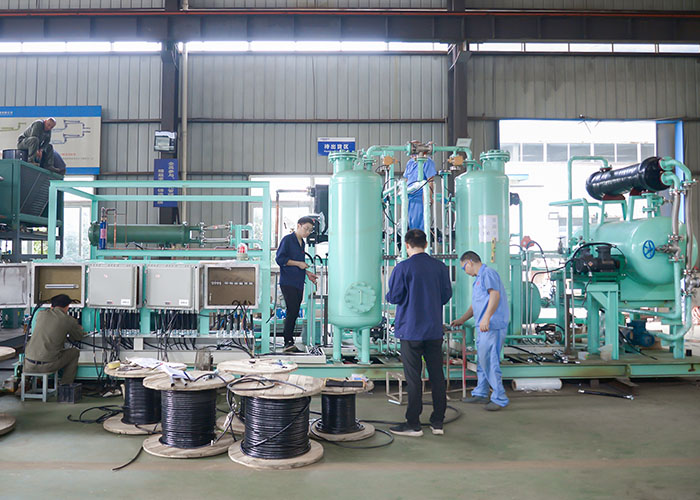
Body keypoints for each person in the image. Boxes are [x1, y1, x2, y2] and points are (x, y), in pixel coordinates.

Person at [386, 229, 452, 436]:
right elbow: (446, 295)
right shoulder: (440, 267)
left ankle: (413, 424)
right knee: (437, 376)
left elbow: (394, 297)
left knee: (414, 378)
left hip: (411, 330)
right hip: (433, 330)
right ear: (426, 244)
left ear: (407, 245)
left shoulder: (402, 268)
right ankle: (438, 422)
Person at [451, 251, 510, 411]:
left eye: (464, 268)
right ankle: (481, 392)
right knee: (482, 361)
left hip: (491, 325)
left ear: (469, 262)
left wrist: (487, 318)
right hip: (483, 326)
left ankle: (499, 398)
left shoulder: (488, 273)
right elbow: (476, 305)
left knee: (490, 361)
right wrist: (462, 319)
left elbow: (495, 295)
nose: (465, 271)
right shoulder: (478, 279)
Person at [275, 216, 318, 353]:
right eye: (306, 229)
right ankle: (288, 342)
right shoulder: (288, 240)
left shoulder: (302, 243)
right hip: (288, 282)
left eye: (310, 230)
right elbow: (280, 259)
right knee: (292, 311)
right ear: (299, 225)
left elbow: (299, 265)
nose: (307, 232)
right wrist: (299, 264)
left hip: (298, 282)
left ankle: (289, 342)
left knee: (294, 311)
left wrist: (307, 273)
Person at [24, 294, 85, 385]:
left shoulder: (40, 314)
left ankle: (25, 383)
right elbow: (78, 337)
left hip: (28, 364)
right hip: (47, 366)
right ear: (67, 307)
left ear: (51, 306)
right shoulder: (68, 320)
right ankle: (65, 385)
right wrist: (78, 328)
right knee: (74, 352)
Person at [403, 153, 437, 231]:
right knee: (411, 221)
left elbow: (430, 180)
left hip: (420, 196)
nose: (412, 155)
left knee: (418, 221)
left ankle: (420, 237)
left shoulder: (427, 161)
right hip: (409, 196)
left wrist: (429, 196)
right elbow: (406, 179)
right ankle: (413, 236)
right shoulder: (410, 162)